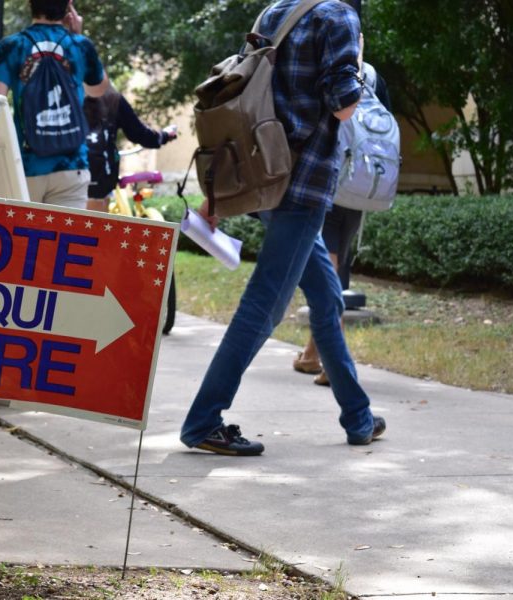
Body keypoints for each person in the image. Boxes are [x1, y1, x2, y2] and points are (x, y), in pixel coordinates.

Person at [180, 0, 386, 456]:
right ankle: (203, 420)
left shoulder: (275, 12)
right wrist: (356, 63)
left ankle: (358, 416)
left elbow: (242, 88)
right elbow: (343, 104)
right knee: (264, 305)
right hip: (303, 183)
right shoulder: (338, 16)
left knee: (326, 297)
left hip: (264, 174)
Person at [293, 28, 394, 386]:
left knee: (325, 275)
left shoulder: (327, 71)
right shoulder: (372, 77)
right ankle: (312, 353)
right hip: (361, 187)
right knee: (332, 272)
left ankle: (332, 366)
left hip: (330, 180)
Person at [0, 0, 110, 209]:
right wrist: (78, 33)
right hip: (71, 166)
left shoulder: (12, 46)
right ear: (68, 6)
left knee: (22, 239)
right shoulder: (79, 45)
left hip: (24, 165)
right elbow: (97, 89)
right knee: (64, 240)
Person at [83, 87, 178, 211]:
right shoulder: (111, 97)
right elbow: (139, 133)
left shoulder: (58, 89)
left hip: (59, 174)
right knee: (92, 226)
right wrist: (163, 136)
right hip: (99, 179)